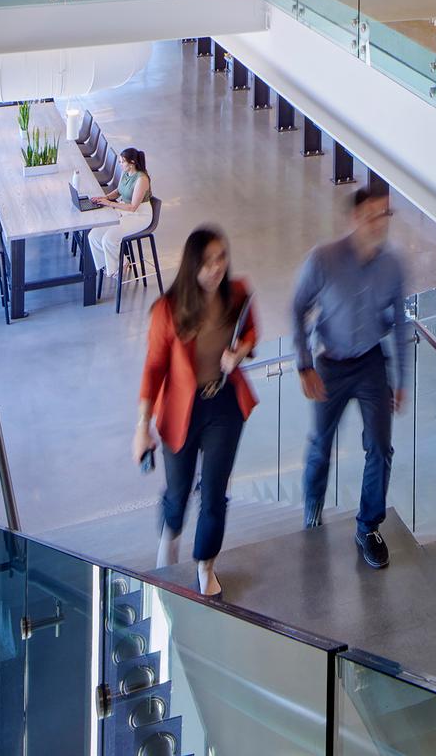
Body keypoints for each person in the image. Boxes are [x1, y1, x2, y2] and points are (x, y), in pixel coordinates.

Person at [133, 226, 259, 598]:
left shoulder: (237, 293)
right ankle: (169, 534)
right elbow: (154, 367)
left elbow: (250, 330)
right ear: (192, 266)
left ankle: (206, 565)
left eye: (221, 258)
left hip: (223, 404)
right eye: (207, 262)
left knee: (215, 492)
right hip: (179, 409)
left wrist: (238, 353)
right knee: (178, 492)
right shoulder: (167, 310)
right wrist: (141, 425)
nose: (216, 268)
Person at [292, 185, 410, 568]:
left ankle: (368, 527)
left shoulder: (393, 266)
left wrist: (401, 380)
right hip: (331, 362)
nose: (381, 223)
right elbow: (298, 306)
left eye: (386, 215)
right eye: (374, 215)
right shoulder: (324, 259)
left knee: (380, 446)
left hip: (372, 362)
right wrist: (304, 362)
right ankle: (312, 512)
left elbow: (400, 324)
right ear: (356, 218)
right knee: (320, 445)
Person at [87, 146, 152, 294]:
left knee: (109, 239)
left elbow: (133, 207)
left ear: (132, 162)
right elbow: (118, 191)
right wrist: (104, 198)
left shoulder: (142, 179)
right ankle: (109, 266)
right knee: (94, 236)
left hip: (140, 215)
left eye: (122, 161)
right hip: (124, 210)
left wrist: (109, 204)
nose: (120, 164)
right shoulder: (126, 173)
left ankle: (118, 268)